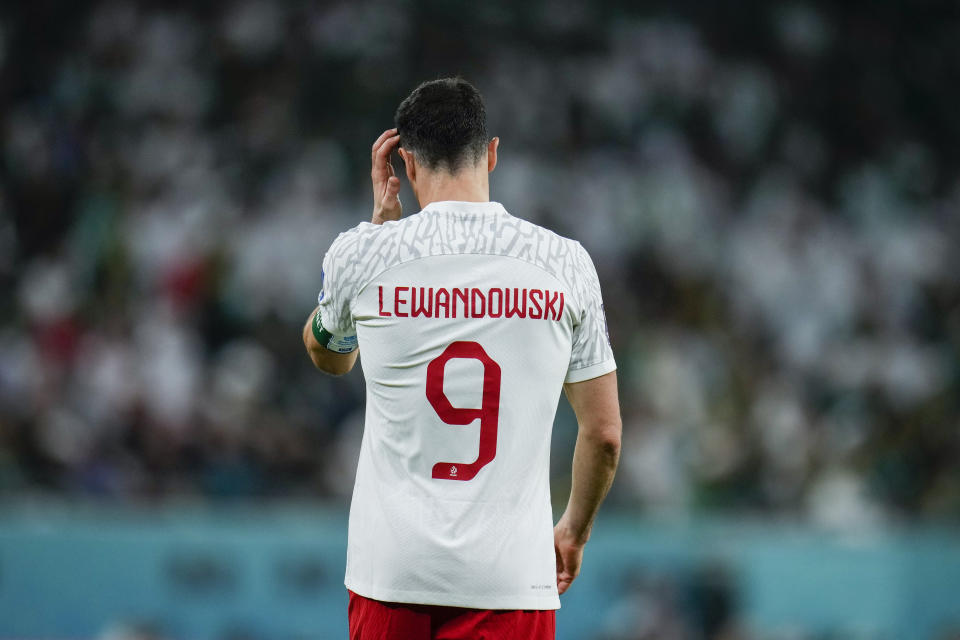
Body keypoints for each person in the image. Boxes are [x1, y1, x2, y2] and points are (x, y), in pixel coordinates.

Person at [303, 78, 621, 640]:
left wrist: (378, 231)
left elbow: (327, 355)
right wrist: (573, 530)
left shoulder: (364, 253)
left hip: (391, 576)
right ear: (492, 153)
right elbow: (604, 434)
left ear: (404, 161)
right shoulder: (565, 264)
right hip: (512, 580)